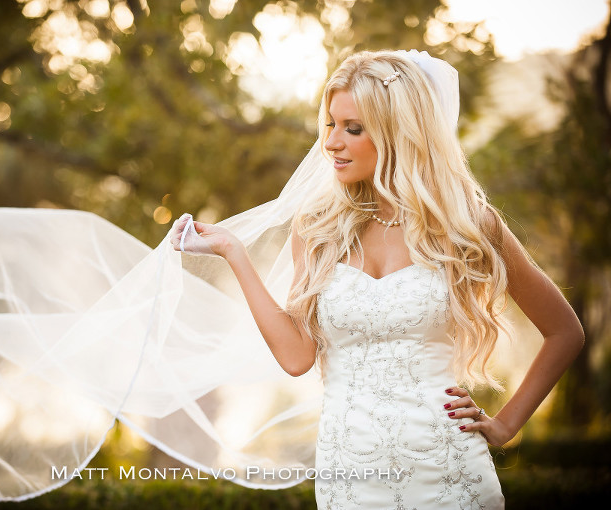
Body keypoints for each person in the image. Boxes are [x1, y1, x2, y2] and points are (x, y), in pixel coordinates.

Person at [170, 49, 584, 509]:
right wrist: (235, 254)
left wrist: (506, 425)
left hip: (448, 473)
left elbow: (564, 331)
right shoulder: (318, 228)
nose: (331, 143)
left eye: (353, 128)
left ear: (395, 133)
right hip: (351, 474)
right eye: (330, 124)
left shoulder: (467, 224)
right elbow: (295, 356)